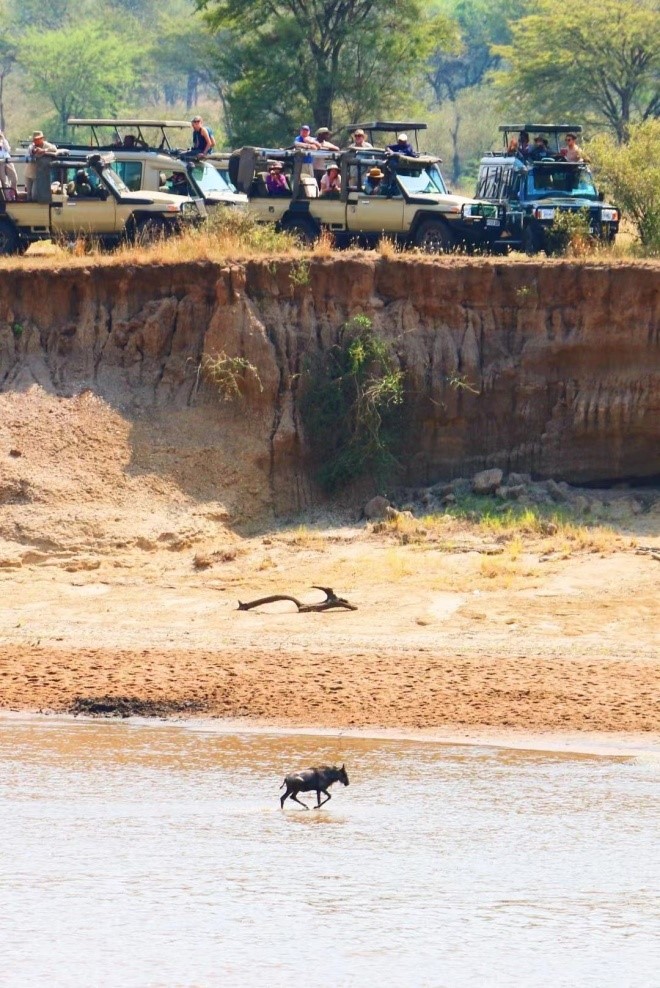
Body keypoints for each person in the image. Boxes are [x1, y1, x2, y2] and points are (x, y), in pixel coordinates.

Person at [24, 131, 58, 200]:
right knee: (28, 194)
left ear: (42, 139)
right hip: (29, 173)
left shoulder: (46, 145)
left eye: (37, 139)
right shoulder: (32, 146)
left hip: (38, 174)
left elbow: (54, 149)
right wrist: (34, 151)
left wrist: (44, 150)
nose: (35, 141)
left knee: (34, 194)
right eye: (34, 139)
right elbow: (30, 151)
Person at [0, 130, 18, 196]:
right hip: (0, 162)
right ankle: (8, 198)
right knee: (4, 181)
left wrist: (3, 140)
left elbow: (8, 149)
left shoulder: (4, 141)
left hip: (7, 160)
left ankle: (13, 194)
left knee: (14, 178)